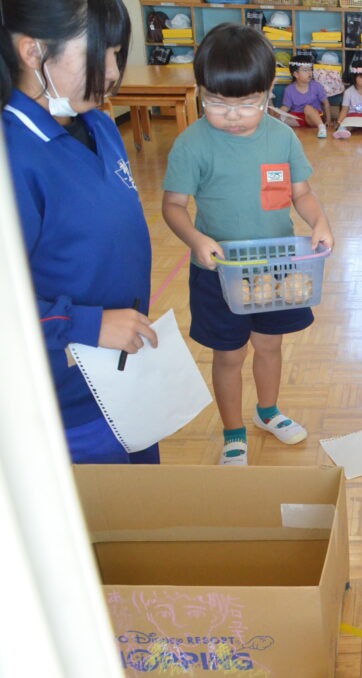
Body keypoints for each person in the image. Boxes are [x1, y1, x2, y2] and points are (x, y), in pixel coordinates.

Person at [162, 23, 334, 466]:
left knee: (270, 345)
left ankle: (268, 412)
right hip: (218, 272)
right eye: (217, 103)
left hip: (275, 267)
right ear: (201, 90)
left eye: (247, 104)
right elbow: (174, 206)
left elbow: (302, 194)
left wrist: (319, 222)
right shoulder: (192, 144)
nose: (233, 115)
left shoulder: (281, 137)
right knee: (229, 354)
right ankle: (233, 431)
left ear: (267, 91)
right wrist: (196, 238)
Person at [2, 0, 160, 464]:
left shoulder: (100, 125)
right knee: (109, 520)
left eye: (117, 53)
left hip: (125, 368)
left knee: (146, 505)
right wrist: (89, 325)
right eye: (100, 54)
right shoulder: (14, 157)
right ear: (33, 52)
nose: (113, 72)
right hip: (68, 399)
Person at [277, 53, 331, 138]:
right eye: (305, 70)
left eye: (310, 70)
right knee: (279, 117)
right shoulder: (289, 89)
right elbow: (286, 107)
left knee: (307, 108)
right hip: (298, 118)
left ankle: (321, 127)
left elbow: (326, 103)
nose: (309, 73)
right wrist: (277, 113)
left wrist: (328, 120)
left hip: (314, 117)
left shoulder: (316, 86)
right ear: (296, 74)